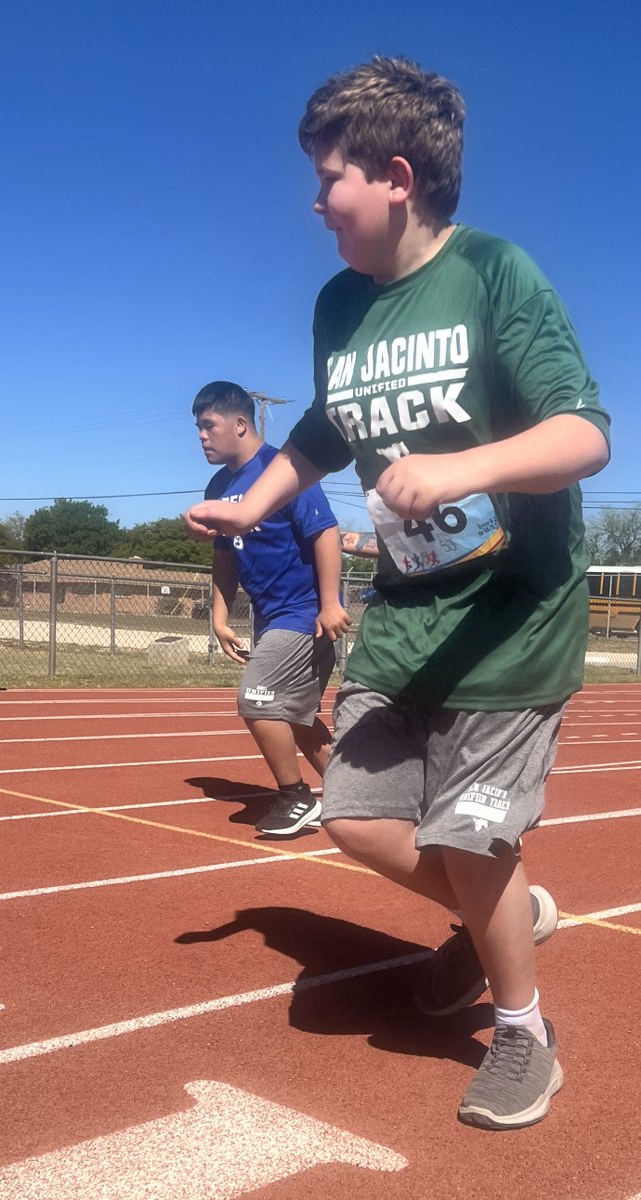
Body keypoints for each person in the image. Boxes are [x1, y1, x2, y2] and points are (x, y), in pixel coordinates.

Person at [185, 57, 610, 1130]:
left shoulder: (495, 276)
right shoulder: (339, 306)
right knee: (360, 822)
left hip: (512, 620)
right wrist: (254, 501)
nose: (315, 200)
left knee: (471, 838)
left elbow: (584, 434)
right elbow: (329, 429)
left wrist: (464, 469)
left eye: (330, 177)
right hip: (407, 616)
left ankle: (523, 1037)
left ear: (397, 177)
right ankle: (503, 913)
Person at [194, 381, 367, 837]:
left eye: (208, 425)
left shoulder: (284, 469)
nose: (201, 436)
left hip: (304, 614)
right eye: (197, 428)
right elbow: (224, 555)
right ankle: (365, 802)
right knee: (299, 721)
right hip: (270, 618)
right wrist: (218, 617)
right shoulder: (219, 485)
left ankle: (295, 799)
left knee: (256, 699)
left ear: (240, 423)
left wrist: (330, 603)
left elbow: (325, 533)